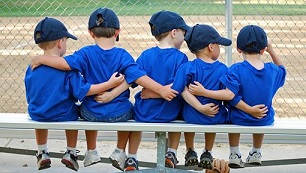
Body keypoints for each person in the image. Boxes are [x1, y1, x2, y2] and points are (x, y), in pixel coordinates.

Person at [30, 8, 178, 170]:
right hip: (119, 114)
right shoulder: (122, 55)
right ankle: (120, 151)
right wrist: (161, 89)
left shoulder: (85, 53)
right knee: (130, 108)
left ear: (90, 33)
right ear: (117, 32)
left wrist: (41, 58)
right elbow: (137, 76)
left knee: (85, 105)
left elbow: (65, 64)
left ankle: (91, 150)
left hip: (90, 114)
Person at [25, 17, 124, 171]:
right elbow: (83, 92)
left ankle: (42, 152)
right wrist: (109, 85)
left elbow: (30, 94)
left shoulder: (32, 67)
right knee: (75, 110)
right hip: (62, 114)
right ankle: (71, 152)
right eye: (65, 41)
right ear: (60, 43)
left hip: (37, 113)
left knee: (40, 110)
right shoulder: (68, 70)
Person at [124, 11, 218, 171]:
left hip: (145, 112)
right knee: (182, 111)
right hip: (170, 113)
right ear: (174, 33)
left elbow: (133, 77)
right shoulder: (180, 58)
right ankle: (171, 153)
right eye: (183, 33)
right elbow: (179, 88)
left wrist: (152, 92)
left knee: (135, 119)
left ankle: (131, 157)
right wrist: (162, 92)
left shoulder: (146, 55)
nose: (184, 38)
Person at [189, 25, 286, 168]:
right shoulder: (272, 70)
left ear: (239, 49)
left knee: (231, 115)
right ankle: (256, 152)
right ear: (263, 49)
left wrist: (248, 110)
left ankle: (234, 153)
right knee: (263, 110)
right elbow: (283, 70)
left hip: (239, 119)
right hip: (264, 120)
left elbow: (231, 97)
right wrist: (271, 49)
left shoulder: (236, 70)